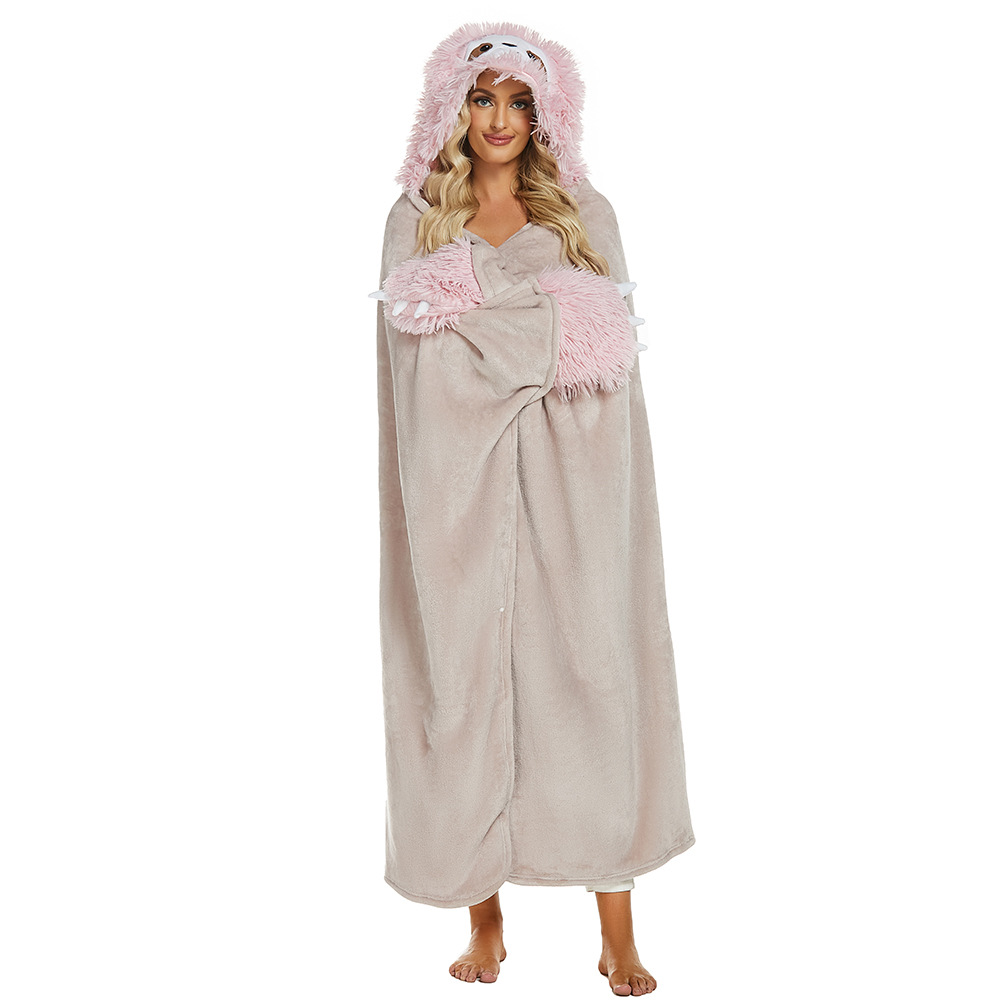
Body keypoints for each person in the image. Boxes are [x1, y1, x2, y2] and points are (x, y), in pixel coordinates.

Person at [371, 22, 695, 996]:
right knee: (462, 679)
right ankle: (485, 918)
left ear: (549, 112)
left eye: (520, 101)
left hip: (578, 488)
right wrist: (551, 324)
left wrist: (476, 314)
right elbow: (421, 370)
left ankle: (616, 932)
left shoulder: (587, 212)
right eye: (482, 98)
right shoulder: (416, 217)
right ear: (452, 107)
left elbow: (607, 361)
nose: (500, 120)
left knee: (592, 677)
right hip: (457, 491)